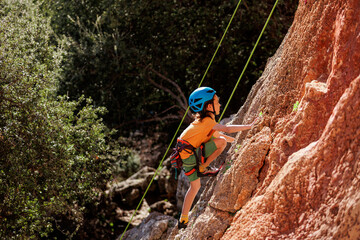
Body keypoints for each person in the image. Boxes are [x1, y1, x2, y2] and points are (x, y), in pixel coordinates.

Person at [177, 87, 257, 229]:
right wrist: (250, 126)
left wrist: (237, 142)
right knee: (222, 142)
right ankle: (203, 166)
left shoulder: (204, 121)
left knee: (195, 187)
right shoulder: (207, 121)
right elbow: (226, 130)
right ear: (208, 106)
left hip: (187, 155)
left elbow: (217, 135)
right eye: (217, 101)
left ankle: (183, 218)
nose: (219, 104)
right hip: (190, 155)